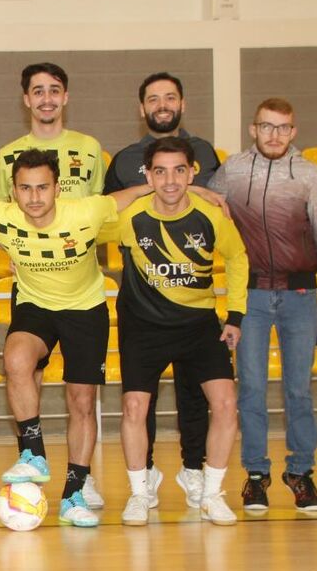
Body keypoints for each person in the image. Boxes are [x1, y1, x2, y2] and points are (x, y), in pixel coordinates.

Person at [0, 149, 155, 528]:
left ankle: (73, 494)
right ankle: (34, 453)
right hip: (36, 305)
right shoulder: (0, 215)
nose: (34, 197)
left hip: (85, 310)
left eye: (42, 187)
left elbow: (137, 193)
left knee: (81, 401)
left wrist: (199, 192)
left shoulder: (85, 211)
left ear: (57, 188)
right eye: (25, 189)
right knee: (17, 359)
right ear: (13, 193)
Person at [209, 98, 317, 513]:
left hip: (300, 297)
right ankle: (256, 476)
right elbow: (203, 211)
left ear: (294, 132)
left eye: (283, 128)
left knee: (298, 391)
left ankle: (300, 473)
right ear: (253, 129)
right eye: (267, 127)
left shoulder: (309, 174)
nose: (274, 135)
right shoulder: (232, 170)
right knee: (249, 388)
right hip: (248, 296)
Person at [104, 137, 246, 527]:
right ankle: (138, 494)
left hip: (198, 325)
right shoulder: (129, 216)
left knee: (226, 405)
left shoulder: (211, 215)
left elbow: (237, 257)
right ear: (148, 175)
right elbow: (79, 231)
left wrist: (235, 315)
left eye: (179, 170)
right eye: (160, 171)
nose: (170, 180)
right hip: (142, 326)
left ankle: (212, 492)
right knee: (135, 408)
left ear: (192, 173)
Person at [102, 72, 223, 510]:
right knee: (141, 396)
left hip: (193, 295)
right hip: (143, 296)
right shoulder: (122, 160)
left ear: (182, 103)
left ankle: (194, 469)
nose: (162, 104)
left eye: (170, 97)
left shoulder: (206, 152)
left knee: (195, 392)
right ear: (142, 109)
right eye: (153, 98)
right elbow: (107, 213)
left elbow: (217, 206)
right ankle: (145, 474)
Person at [0, 62, 106, 202]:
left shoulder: (89, 147)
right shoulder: (5, 157)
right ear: (27, 99)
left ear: (65, 97)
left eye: (54, 91)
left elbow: (101, 207)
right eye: (38, 92)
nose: (47, 99)